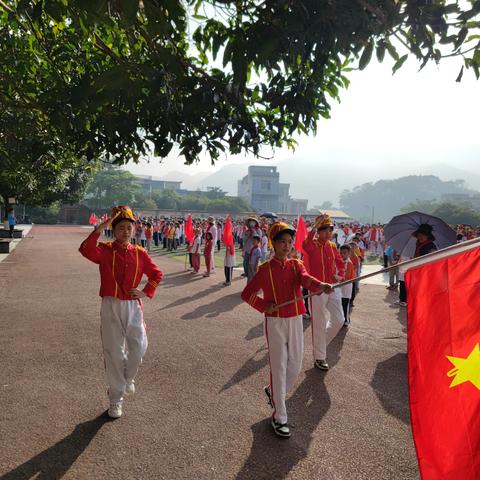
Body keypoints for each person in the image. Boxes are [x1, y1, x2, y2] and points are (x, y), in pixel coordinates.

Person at [241, 222, 333, 438]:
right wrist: (264, 306)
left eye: (289, 242)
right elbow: (247, 294)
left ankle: (274, 392)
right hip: (274, 322)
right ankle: (279, 416)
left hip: (295, 319)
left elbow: (305, 280)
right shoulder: (264, 270)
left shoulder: (296, 265)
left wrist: (320, 285)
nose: (287, 246)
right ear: (273, 244)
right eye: (282, 242)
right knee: (279, 366)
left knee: (296, 364)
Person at [79, 206, 163, 419]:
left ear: (134, 230)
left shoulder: (140, 253)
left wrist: (146, 291)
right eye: (121, 228)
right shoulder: (105, 251)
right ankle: (116, 399)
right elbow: (85, 249)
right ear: (114, 230)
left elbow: (156, 273)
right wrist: (100, 228)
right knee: (114, 352)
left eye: (129, 228)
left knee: (139, 347)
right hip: (110, 305)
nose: (126, 232)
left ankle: (128, 378)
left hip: (133, 306)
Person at [303, 214, 345, 371]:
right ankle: (319, 356)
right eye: (325, 230)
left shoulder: (332, 246)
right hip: (317, 289)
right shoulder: (311, 245)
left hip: (333, 287)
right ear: (318, 232)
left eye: (330, 230)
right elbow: (305, 242)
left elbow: (340, 262)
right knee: (319, 323)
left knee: (339, 320)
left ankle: (319, 346)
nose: (328, 233)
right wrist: (314, 227)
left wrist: (341, 273)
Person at [339, 244, 355, 326]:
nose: (342, 255)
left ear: (349, 253)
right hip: (340, 287)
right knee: (340, 303)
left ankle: (346, 320)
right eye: (341, 253)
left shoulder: (349, 263)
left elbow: (348, 277)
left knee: (345, 304)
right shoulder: (339, 261)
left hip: (346, 287)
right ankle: (342, 319)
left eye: (344, 253)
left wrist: (339, 278)